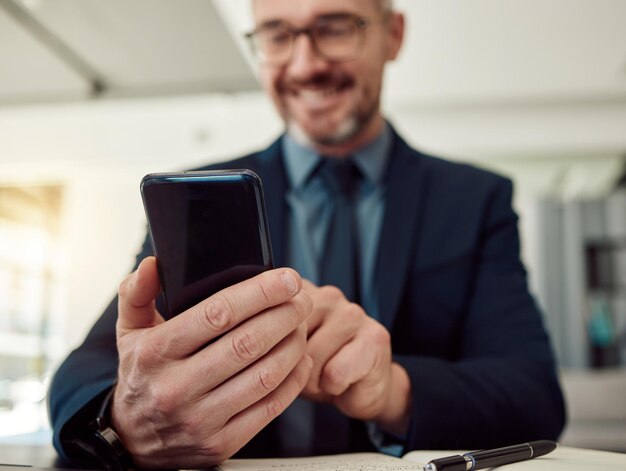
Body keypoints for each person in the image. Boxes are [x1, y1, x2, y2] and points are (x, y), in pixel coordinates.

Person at [49, 0, 565, 469]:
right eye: (277, 34)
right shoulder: (193, 200)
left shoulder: (475, 199)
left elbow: (534, 397)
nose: (305, 64)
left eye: (335, 28)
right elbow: (84, 373)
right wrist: (127, 418)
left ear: (393, 35)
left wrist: (393, 390)